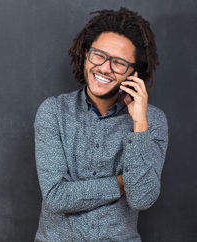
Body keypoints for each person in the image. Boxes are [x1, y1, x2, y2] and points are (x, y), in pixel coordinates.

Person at [33, 7, 169, 241]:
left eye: (119, 63)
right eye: (99, 55)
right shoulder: (53, 112)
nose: (105, 67)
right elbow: (56, 196)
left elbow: (142, 198)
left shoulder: (151, 121)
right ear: (86, 54)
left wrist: (139, 124)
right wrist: (121, 183)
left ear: (133, 72)